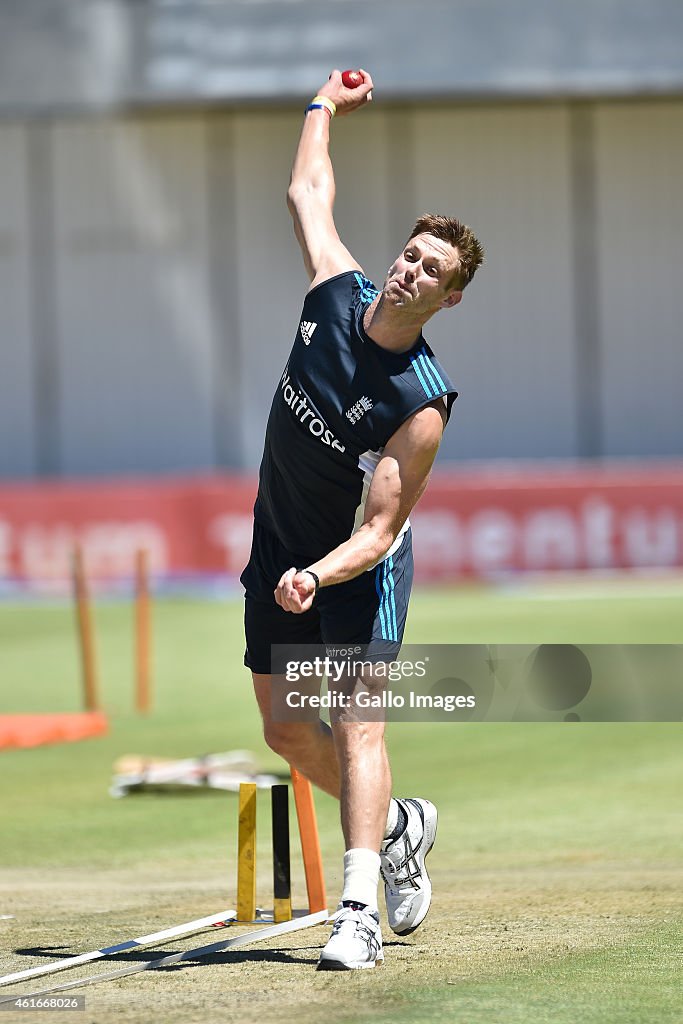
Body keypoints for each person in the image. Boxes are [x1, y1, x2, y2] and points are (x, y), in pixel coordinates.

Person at [240, 69, 484, 970]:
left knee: (354, 721)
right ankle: (398, 828)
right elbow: (308, 189)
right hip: (277, 546)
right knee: (284, 730)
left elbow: (380, 532)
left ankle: (357, 916)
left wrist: (322, 573)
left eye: (433, 272)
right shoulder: (333, 292)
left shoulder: (420, 403)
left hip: (357, 567)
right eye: (412, 253)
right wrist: (323, 105)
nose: (411, 269)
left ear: (446, 299)